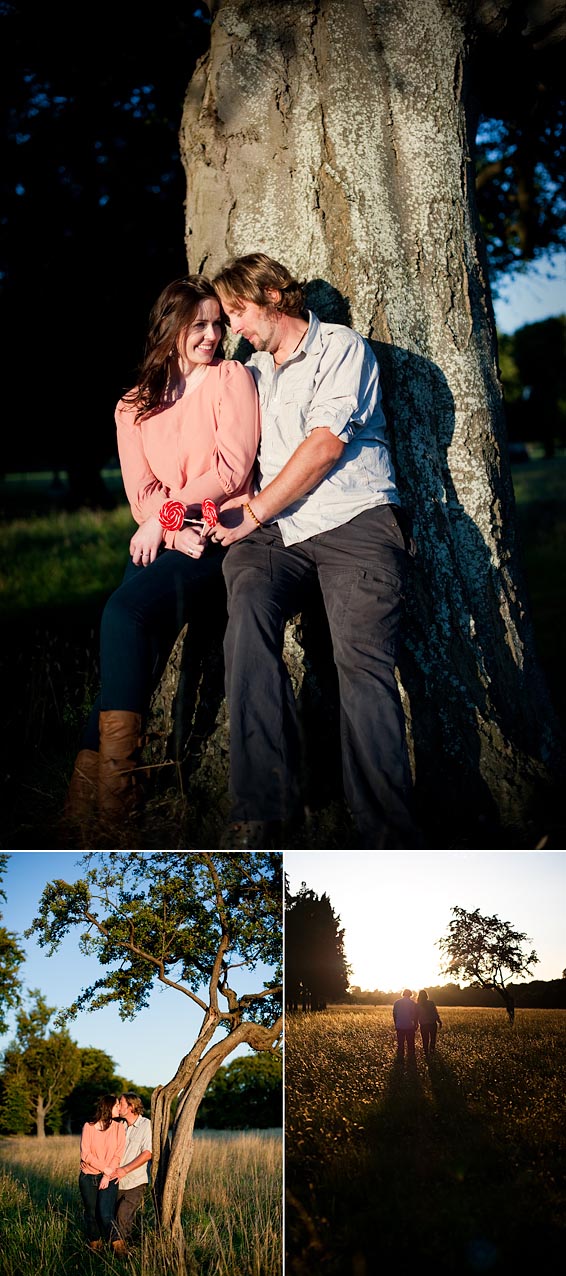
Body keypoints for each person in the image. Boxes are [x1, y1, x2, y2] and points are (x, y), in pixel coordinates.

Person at [210, 252, 420, 850]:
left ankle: (388, 833)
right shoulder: (248, 372)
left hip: (353, 521)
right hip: (278, 535)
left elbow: (325, 445)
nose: (234, 327)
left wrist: (252, 511)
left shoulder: (342, 349)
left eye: (239, 311)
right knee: (246, 608)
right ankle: (263, 806)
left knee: (363, 664)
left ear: (276, 295)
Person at [62, 275, 260, 830]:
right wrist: (170, 528)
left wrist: (166, 519)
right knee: (130, 659)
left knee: (122, 612)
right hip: (171, 541)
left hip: (219, 536)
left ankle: (117, 805)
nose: (212, 335)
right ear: (170, 327)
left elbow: (231, 469)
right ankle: (86, 811)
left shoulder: (231, 378)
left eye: (218, 324)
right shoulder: (133, 406)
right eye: (199, 324)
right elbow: (140, 494)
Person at [79, 1094, 125, 1250]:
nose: (119, 1108)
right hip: (88, 1177)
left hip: (110, 1176)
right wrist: (104, 1168)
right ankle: (95, 1247)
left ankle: (120, 1249)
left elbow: (118, 1154)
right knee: (91, 1214)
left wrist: (106, 1174)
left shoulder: (119, 1127)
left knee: (105, 1214)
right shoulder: (89, 1126)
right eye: (117, 1105)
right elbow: (85, 1154)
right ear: (108, 1107)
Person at [109, 1093, 153, 1257]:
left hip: (135, 1181)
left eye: (121, 1103)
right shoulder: (119, 1126)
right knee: (111, 1217)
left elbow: (148, 1153)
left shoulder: (145, 1125)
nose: (118, 1106)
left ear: (131, 1106)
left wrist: (125, 1170)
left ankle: (121, 1256)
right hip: (115, 1181)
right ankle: (115, 1252)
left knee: (123, 1216)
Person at [393, 989, 418, 1058]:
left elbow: (394, 1015)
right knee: (410, 1043)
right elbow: (415, 1015)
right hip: (410, 1026)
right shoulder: (412, 1003)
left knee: (400, 1043)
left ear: (403, 994)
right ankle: (411, 1058)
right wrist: (416, 1024)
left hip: (399, 1025)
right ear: (410, 994)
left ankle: (400, 1058)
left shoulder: (397, 1002)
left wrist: (396, 1023)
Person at [417, 988, 443, 1054]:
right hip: (432, 1024)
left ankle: (426, 1052)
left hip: (423, 1025)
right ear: (426, 995)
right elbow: (435, 1013)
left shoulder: (417, 1005)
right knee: (433, 1039)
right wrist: (439, 1021)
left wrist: (415, 1024)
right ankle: (432, 1051)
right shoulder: (431, 1003)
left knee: (425, 1039)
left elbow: (416, 1015)